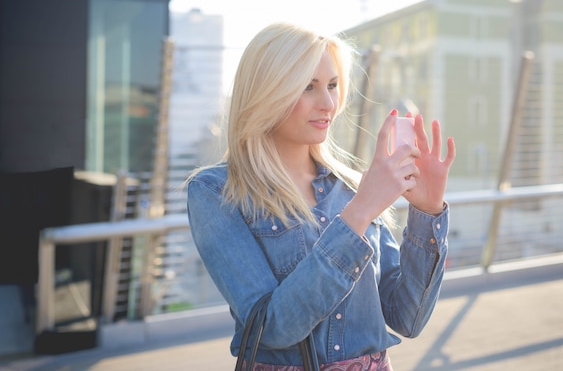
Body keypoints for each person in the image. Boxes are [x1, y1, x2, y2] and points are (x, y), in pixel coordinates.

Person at [187, 22, 456, 370]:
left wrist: (427, 211)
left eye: (332, 85)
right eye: (308, 87)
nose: (328, 102)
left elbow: (408, 318)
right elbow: (274, 327)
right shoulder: (217, 190)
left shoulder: (351, 186)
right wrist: (358, 214)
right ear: (266, 92)